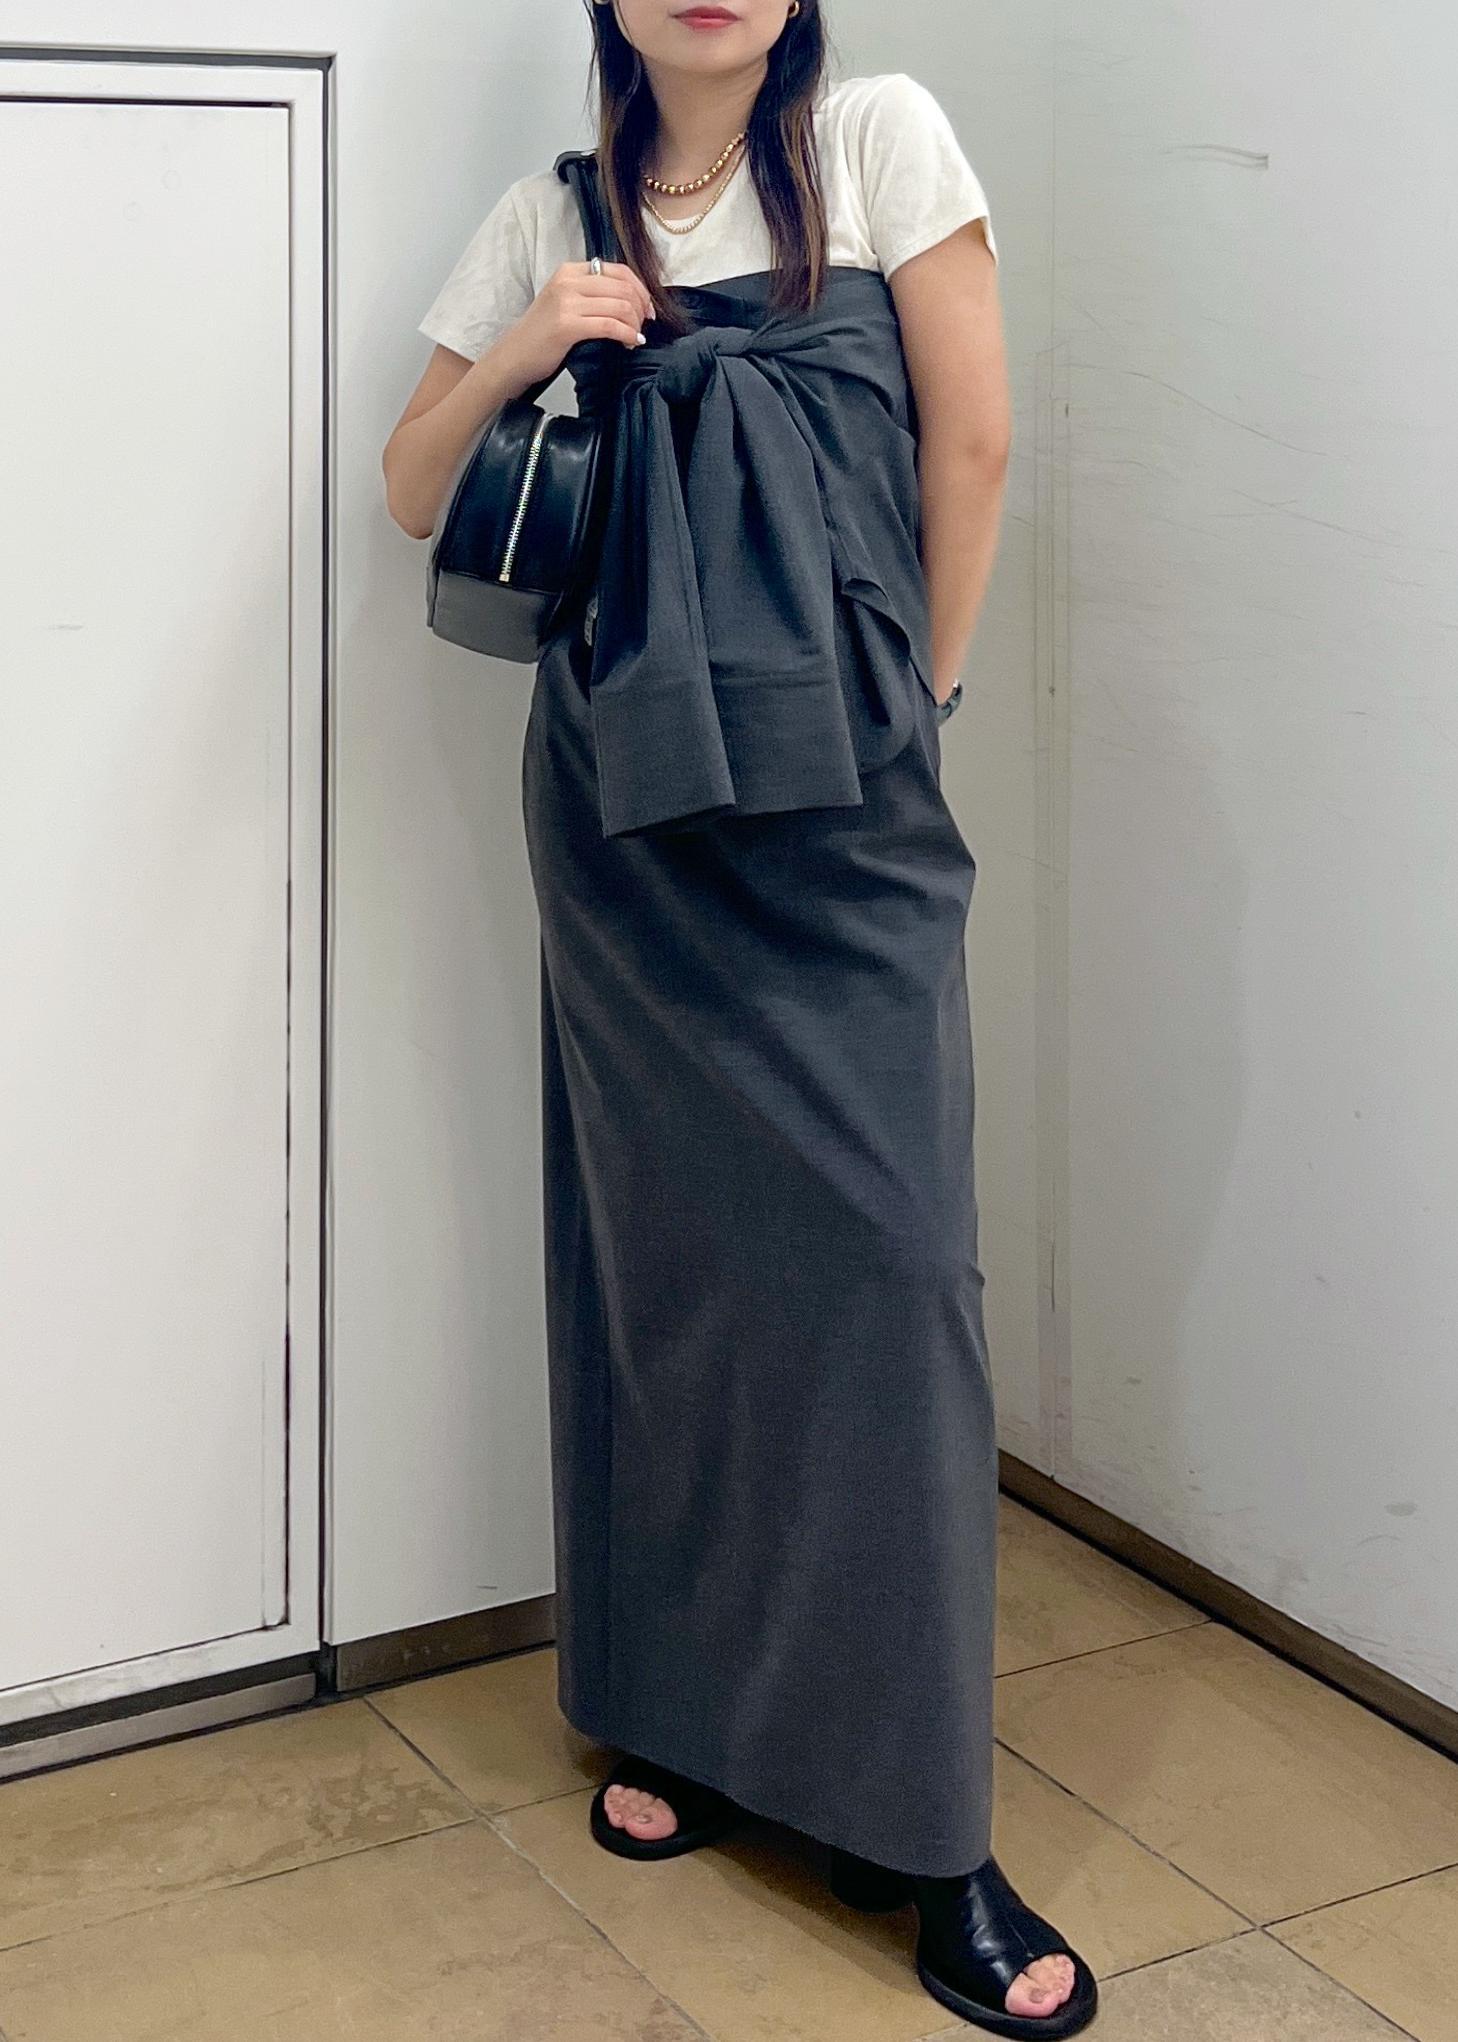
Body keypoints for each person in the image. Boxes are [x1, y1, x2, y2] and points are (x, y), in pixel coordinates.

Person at [384, 3, 1097, 2033]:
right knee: (668, 1269)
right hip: (624, 811)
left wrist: (917, 703)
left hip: (844, 789)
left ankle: (926, 1827)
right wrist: (529, 342)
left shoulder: (875, 138)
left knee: (890, 1276)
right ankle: (685, 1720)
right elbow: (414, 485)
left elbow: (974, 437)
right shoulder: (550, 213)